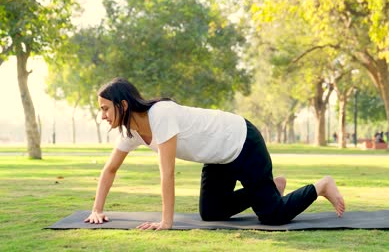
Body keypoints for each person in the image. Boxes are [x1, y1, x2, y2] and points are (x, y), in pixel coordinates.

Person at [84, 78, 345, 230]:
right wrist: (97, 209)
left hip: (242, 142)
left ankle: (321, 186)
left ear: (124, 105)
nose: (103, 115)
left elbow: (168, 174)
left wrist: (166, 222)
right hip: (217, 157)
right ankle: (272, 187)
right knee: (211, 212)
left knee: (272, 216)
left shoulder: (159, 115)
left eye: (105, 109)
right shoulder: (131, 132)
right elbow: (110, 169)